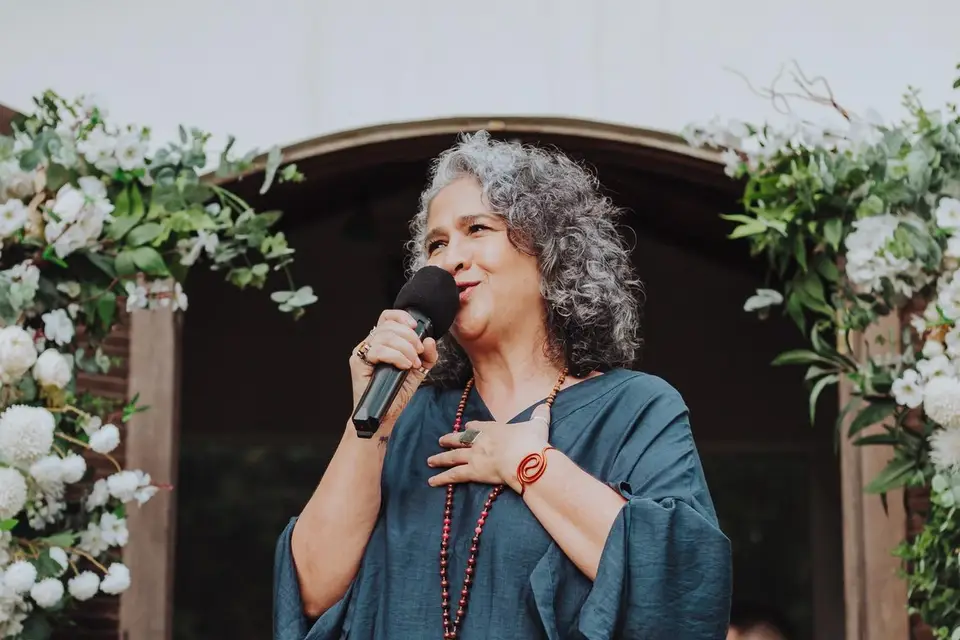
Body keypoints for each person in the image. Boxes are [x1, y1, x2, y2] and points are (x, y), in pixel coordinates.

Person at [274, 131, 732, 639]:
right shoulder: (407, 418)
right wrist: (369, 425)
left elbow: (680, 589)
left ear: (551, 252)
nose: (451, 258)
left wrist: (527, 463)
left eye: (477, 229)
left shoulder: (636, 410)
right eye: (437, 244)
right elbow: (312, 594)